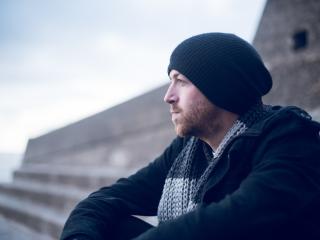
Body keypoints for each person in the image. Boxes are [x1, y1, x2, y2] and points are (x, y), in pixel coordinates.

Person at [60, 33, 320, 240]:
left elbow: (242, 217)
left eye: (181, 81)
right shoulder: (189, 149)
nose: (168, 96)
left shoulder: (288, 137)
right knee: (110, 225)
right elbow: (105, 200)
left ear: (221, 87)